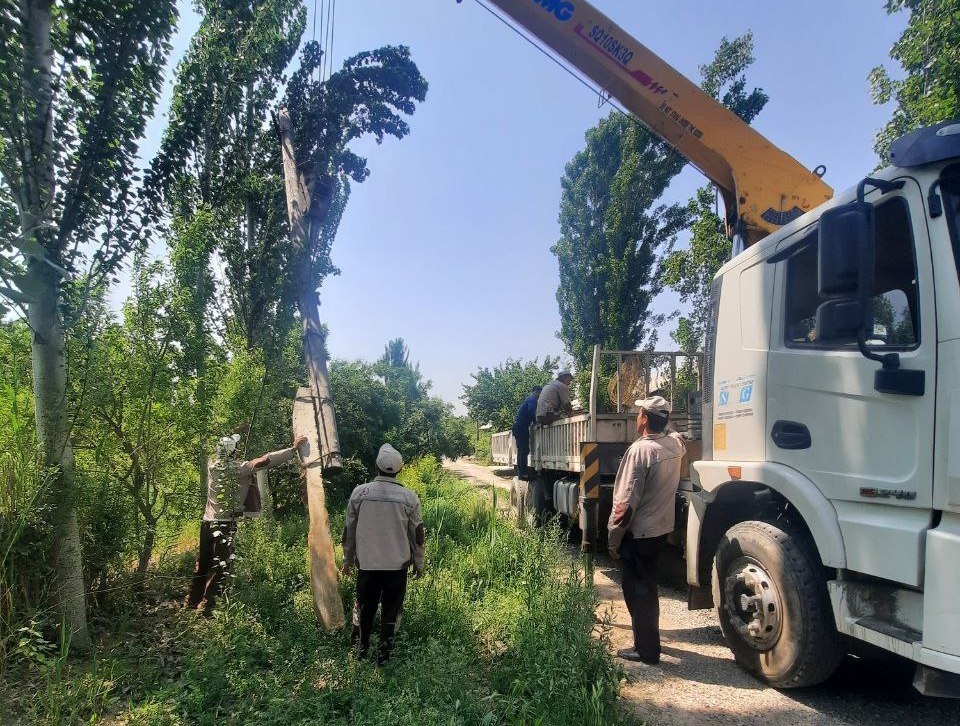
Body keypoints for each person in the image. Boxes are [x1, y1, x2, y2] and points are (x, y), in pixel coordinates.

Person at [185, 432, 306, 615]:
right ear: (232, 454)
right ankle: (208, 608)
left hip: (207, 523)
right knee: (222, 566)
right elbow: (264, 461)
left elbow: (229, 455)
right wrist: (293, 449)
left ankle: (192, 603)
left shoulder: (212, 465)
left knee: (203, 564)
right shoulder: (238, 468)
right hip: (224, 525)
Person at [607, 396, 685, 665]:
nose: (637, 416)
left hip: (638, 534)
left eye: (639, 412)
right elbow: (675, 432)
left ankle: (646, 650)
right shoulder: (674, 445)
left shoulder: (640, 452)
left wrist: (613, 539)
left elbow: (625, 504)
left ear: (644, 419)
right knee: (648, 587)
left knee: (638, 591)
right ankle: (648, 641)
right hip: (660, 531)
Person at [342, 443, 425, 664]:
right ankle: (384, 656)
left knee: (364, 606)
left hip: (367, 565)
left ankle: (360, 650)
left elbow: (349, 531)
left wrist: (347, 560)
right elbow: (417, 535)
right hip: (396, 568)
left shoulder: (360, 493)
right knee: (392, 610)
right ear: (399, 470)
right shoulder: (409, 497)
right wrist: (419, 564)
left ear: (376, 466)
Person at [512, 385, 542, 480]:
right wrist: (536, 421)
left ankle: (522, 473)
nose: (540, 396)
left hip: (519, 427)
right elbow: (531, 410)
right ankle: (523, 473)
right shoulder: (532, 399)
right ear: (537, 392)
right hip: (521, 427)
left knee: (522, 450)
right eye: (540, 393)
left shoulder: (529, 399)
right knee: (523, 450)